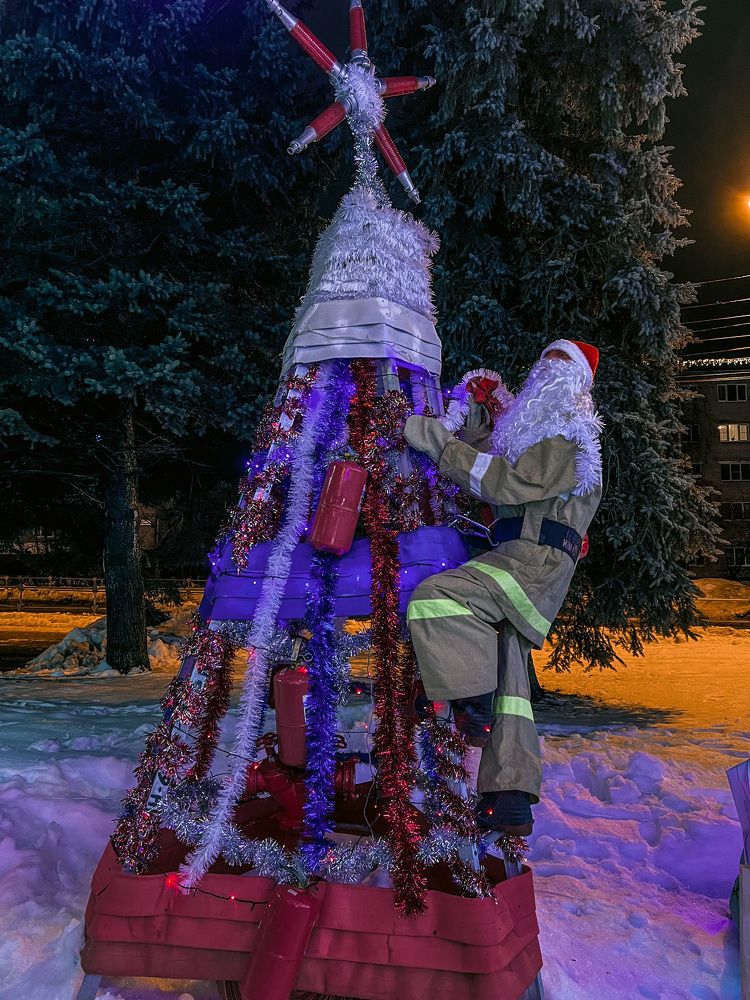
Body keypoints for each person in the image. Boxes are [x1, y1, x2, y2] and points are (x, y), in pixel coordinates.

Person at [405, 340, 603, 835]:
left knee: (438, 596)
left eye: (563, 365)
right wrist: (474, 425)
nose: (550, 371)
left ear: (579, 384)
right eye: (546, 361)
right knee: (510, 667)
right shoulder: (538, 435)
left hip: (530, 563)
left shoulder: (568, 436)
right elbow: (496, 466)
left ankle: (473, 701)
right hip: (519, 556)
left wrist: (440, 444)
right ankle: (510, 793)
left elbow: (507, 484)